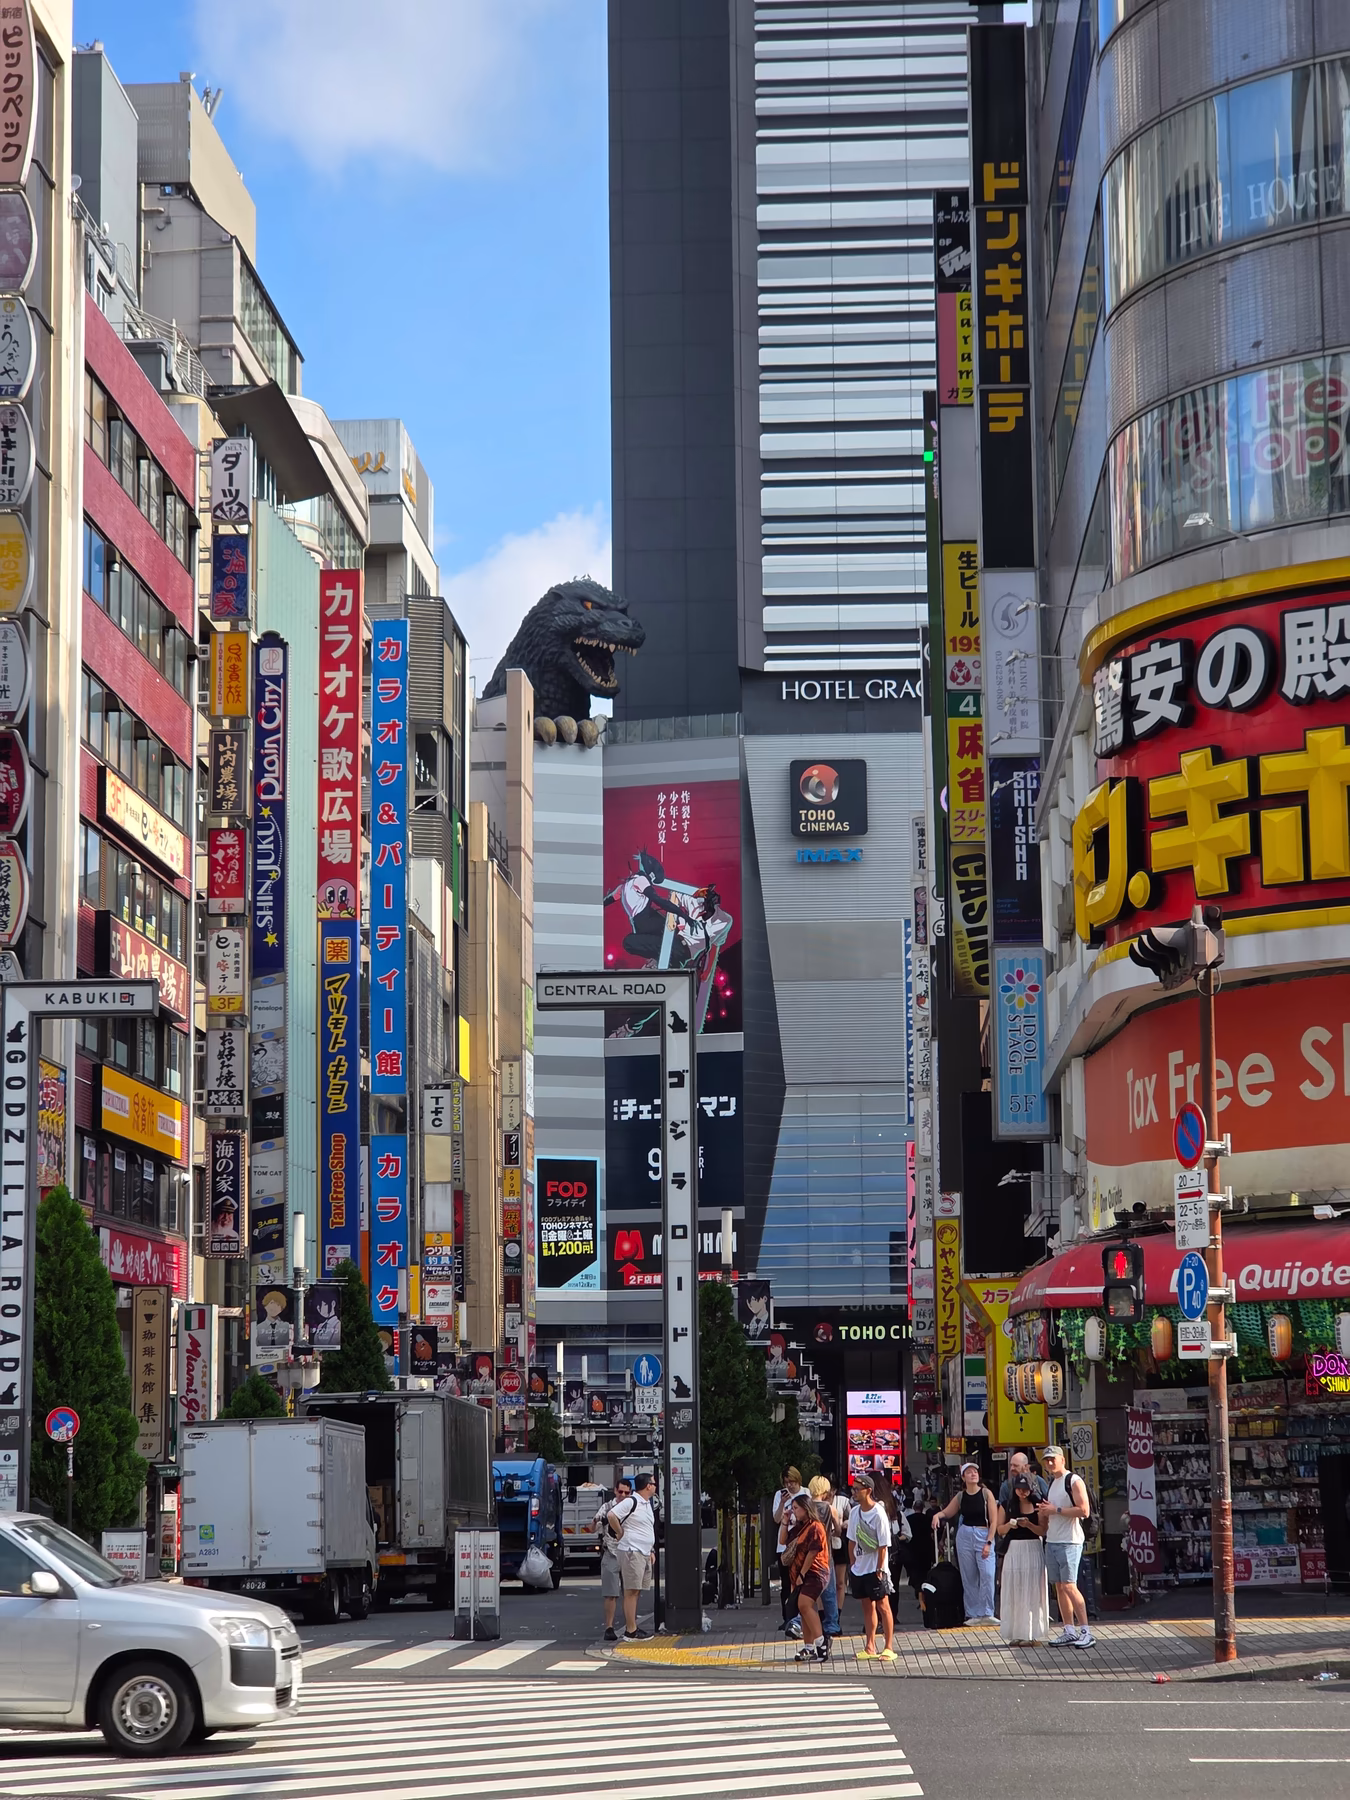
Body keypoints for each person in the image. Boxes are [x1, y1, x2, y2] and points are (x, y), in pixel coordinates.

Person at [1037, 1446, 1094, 1648]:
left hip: (1070, 1540)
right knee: (1059, 1586)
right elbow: (1054, 1511)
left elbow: (1084, 1510)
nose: (1050, 1463)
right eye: (1046, 1460)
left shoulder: (1074, 1480)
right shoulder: (1053, 1483)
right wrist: (1046, 1511)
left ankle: (1086, 1630)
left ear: (1062, 1459)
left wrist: (1056, 1509)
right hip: (1052, 1539)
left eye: (1053, 1459)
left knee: (1070, 1585)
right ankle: (1069, 1629)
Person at [934, 1461, 997, 1623]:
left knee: (988, 1574)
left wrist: (989, 1542)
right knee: (969, 1575)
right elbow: (948, 1511)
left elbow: (994, 1520)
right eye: (969, 1472)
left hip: (983, 1533)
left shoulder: (986, 1494)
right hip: (965, 1535)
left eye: (975, 1471)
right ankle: (973, 1613)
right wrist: (937, 1515)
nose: (973, 1474)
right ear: (963, 1477)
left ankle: (987, 1611)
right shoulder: (961, 1496)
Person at [996, 1471, 1049, 1645]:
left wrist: (1029, 1525)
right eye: (1019, 1489)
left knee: (1033, 1589)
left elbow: (1042, 1530)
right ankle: (1016, 1632)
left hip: (1033, 1547)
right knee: (1015, 1588)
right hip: (1014, 1548)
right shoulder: (1006, 1505)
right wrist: (1010, 1525)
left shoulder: (1038, 1505)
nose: (1022, 1492)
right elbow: (999, 1530)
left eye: (1025, 1489)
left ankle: (1031, 1633)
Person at [847, 1472, 895, 1659]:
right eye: (853, 1489)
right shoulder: (854, 1512)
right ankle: (870, 1646)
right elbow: (851, 1540)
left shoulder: (878, 1513)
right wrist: (853, 1563)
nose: (854, 1492)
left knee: (883, 1605)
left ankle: (889, 1646)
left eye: (857, 1489)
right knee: (867, 1606)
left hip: (876, 1567)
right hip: (859, 1566)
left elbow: (883, 1544)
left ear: (868, 1490)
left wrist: (880, 1568)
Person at [607, 1470, 657, 1641]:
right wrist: (620, 1532)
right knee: (631, 1591)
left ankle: (633, 1627)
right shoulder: (632, 1501)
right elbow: (611, 1515)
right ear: (648, 1486)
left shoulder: (646, 1503)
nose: (655, 1486)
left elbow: (646, 1529)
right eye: (654, 1483)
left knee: (636, 1591)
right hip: (631, 1551)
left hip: (642, 1552)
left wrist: (651, 1550)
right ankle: (631, 1630)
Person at [784, 1493, 832, 1662]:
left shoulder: (816, 1526)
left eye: (796, 1508)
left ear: (806, 1508)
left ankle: (821, 1642)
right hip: (800, 1573)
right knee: (804, 1608)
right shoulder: (800, 1527)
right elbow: (784, 1540)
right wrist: (785, 1521)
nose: (793, 1511)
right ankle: (809, 1646)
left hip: (815, 1572)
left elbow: (813, 1552)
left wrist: (802, 1574)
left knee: (803, 1604)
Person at [597, 1477, 632, 1642]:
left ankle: (630, 1627)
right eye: (620, 1492)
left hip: (629, 1554)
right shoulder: (607, 1507)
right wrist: (598, 1521)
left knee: (631, 1592)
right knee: (611, 1593)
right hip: (611, 1552)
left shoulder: (633, 1508)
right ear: (615, 1491)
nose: (623, 1495)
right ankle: (609, 1627)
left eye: (627, 1492)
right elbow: (592, 1527)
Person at [806, 1476, 841, 1642]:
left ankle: (803, 1622)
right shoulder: (829, 1508)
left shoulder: (805, 1507)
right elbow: (839, 1530)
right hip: (825, 1554)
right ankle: (832, 1624)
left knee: (806, 1590)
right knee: (829, 1591)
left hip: (806, 1554)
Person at [772, 1466, 806, 1637]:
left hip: (801, 1544)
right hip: (784, 1545)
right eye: (786, 1483)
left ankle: (800, 1618)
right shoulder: (780, 1495)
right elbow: (776, 1519)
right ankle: (787, 1618)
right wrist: (781, 1503)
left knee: (801, 1582)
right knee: (786, 1583)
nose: (790, 1486)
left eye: (792, 1482)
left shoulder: (806, 1493)